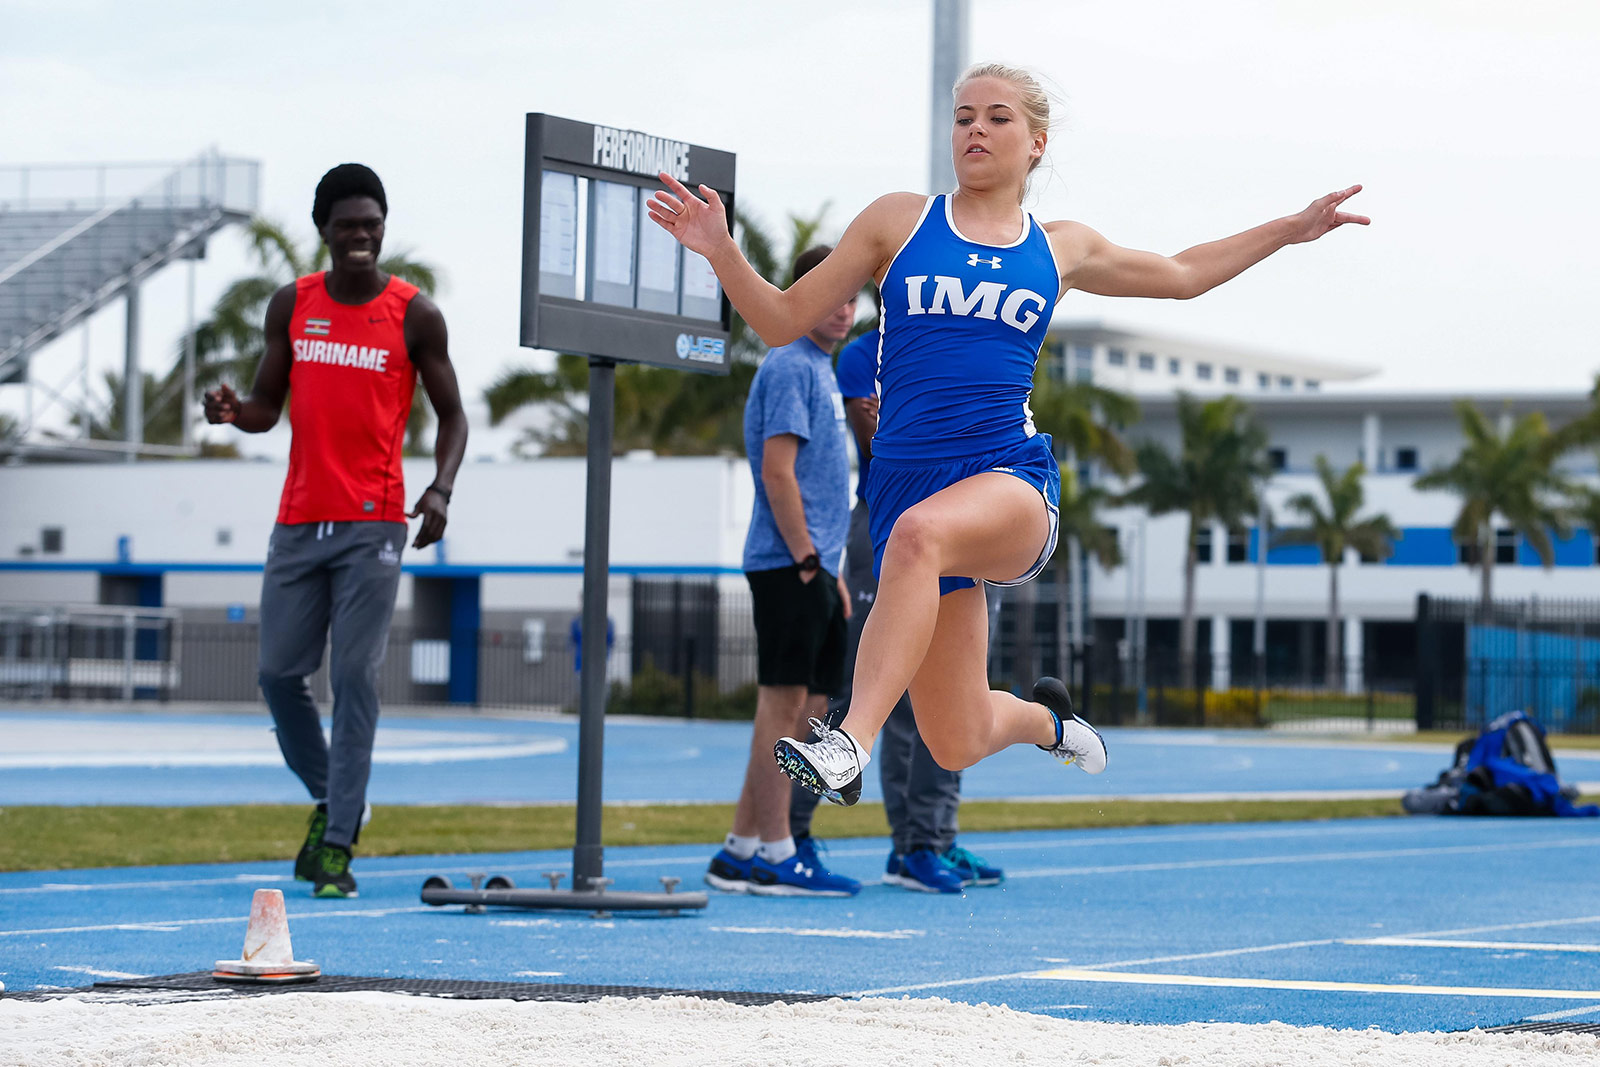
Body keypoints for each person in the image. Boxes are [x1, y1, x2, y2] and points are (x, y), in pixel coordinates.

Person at [649, 62, 1367, 805]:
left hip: (1010, 481)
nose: (975, 131)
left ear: (1036, 143)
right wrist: (720, 250)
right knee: (954, 736)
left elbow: (1183, 272)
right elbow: (779, 321)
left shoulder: (1059, 247)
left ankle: (848, 744)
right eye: (963, 118)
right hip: (907, 492)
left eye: (996, 117)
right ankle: (1047, 721)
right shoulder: (899, 221)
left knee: (920, 538)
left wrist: (1291, 229)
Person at [204, 163, 468, 898]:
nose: (361, 235)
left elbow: (454, 413)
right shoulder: (294, 304)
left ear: (383, 228)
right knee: (278, 676)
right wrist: (231, 412)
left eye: (372, 223)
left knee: (352, 676)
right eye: (348, 224)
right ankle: (337, 796)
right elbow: (264, 404)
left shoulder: (415, 315)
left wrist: (440, 489)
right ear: (325, 230)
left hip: (374, 523)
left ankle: (337, 847)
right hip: (298, 519)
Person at [787, 323, 1001, 893]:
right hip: (894, 528)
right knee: (885, 691)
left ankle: (938, 839)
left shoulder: (960, 342)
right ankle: (906, 845)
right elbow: (877, 439)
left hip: (964, 524)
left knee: (959, 689)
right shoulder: (863, 355)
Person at [704, 245, 861, 897]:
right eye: (834, 293)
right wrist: (804, 557)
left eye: (854, 296)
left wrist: (832, 571)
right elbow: (777, 470)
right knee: (785, 705)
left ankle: (741, 847)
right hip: (786, 562)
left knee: (807, 706)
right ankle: (775, 848)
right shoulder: (790, 364)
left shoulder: (821, 369)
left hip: (816, 565)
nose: (845, 307)